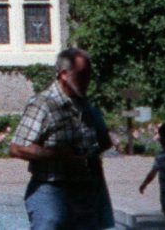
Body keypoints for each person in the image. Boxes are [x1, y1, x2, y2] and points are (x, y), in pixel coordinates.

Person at [11, 45, 115, 230]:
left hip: (85, 190)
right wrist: (58, 155)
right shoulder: (43, 104)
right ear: (64, 74)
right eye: (83, 74)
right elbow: (18, 147)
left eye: (89, 74)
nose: (88, 79)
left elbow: (103, 142)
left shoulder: (84, 104)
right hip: (51, 190)